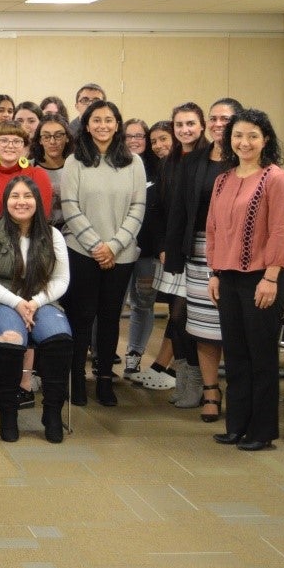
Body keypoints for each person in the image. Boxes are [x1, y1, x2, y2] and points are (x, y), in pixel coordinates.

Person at [207, 109, 284, 452]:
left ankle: (261, 431)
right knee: (236, 354)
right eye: (238, 136)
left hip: (263, 278)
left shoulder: (276, 178)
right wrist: (215, 272)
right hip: (228, 278)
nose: (244, 143)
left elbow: (282, 231)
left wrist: (271, 276)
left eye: (252, 136)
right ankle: (237, 426)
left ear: (266, 140)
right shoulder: (223, 179)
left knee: (261, 356)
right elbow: (214, 229)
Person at [0, 176, 73, 443]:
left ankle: (52, 412)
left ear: (38, 201)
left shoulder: (53, 235)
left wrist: (35, 302)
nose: (21, 202)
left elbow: (61, 280)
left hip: (40, 300)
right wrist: (16, 303)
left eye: (28, 196)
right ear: (6, 201)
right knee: (12, 338)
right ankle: (8, 413)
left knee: (59, 339)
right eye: (15, 196)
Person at [59, 99, 147, 408]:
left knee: (111, 318)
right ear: (86, 125)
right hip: (82, 252)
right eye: (96, 120)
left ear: (118, 124)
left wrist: (114, 245)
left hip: (120, 255)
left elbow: (138, 207)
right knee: (81, 317)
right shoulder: (74, 162)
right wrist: (97, 245)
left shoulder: (134, 162)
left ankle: (105, 379)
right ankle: (77, 379)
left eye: (109, 120)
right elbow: (70, 207)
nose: (103, 125)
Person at [178, 98, 244, 419]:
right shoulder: (196, 160)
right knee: (203, 326)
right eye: (214, 118)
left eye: (225, 118)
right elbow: (182, 207)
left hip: (237, 253)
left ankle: (239, 391)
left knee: (231, 324)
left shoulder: (247, 160)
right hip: (200, 250)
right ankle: (210, 391)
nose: (219, 123)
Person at [141, 102, 207, 396]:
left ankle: (192, 379)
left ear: (202, 126)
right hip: (175, 251)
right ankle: (183, 376)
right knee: (177, 315)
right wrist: (163, 246)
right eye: (179, 125)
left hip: (203, 250)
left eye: (190, 124)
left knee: (188, 316)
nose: (185, 130)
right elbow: (161, 210)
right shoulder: (170, 163)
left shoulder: (209, 159)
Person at [122, 118, 161, 382]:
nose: (134, 140)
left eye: (140, 136)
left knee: (143, 304)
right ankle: (102, 355)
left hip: (148, 251)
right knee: (110, 304)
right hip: (119, 249)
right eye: (128, 136)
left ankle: (134, 355)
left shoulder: (159, 169)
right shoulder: (117, 166)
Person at [0, 121, 55, 238]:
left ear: (23, 146)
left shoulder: (37, 175)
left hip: (28, 243)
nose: (10, 145)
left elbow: (42, 216)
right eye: (3, 140)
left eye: (17, 141)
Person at [31, 113, 73, 228]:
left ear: (67, 137)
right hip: (38, 228)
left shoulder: (75, 167)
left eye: (58, 135)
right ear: (39, 140)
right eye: (46, 136)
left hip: (70, 230)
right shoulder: (30, 167)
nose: (52, 142)